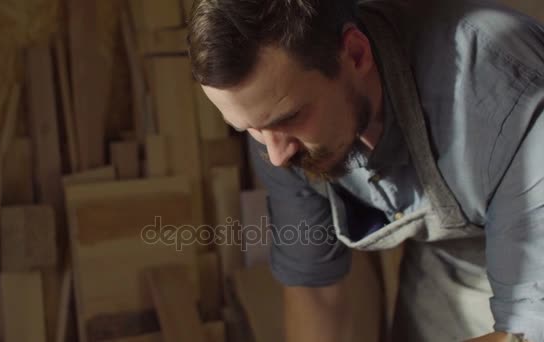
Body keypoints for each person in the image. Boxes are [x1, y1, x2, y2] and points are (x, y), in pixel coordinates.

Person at [187, 0, 544, 341]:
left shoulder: (504, 88)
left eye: (291, 118)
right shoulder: (274, 119)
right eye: (248, 128)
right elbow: (316, 293)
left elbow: (528, 332)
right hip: (450, 265)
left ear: (356, 54)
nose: (276, 156)